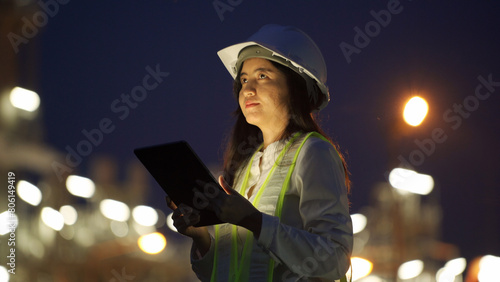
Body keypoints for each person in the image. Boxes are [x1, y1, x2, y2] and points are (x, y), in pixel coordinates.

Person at [167, 24, 353, 281]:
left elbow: (335, 259)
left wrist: (255, 221)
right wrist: (200, 237)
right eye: (244, 79)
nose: (247, 89)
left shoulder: (313, 152)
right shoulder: (244, 167)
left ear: (295, 85)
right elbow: (225, 273)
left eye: (262, 76)